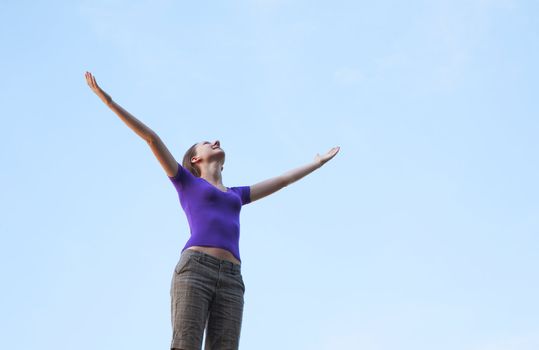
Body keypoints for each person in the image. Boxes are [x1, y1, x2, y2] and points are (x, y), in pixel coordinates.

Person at [84, 71, 340, 350]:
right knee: (185, 345)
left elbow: (282, 181)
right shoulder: (186, 182)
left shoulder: (236, 195)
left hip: (232, 278)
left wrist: (316, 163)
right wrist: (108, 101)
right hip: (195, 270)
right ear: (195, 159)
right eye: (207, 143)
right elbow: (151, 139)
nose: (215, 141)